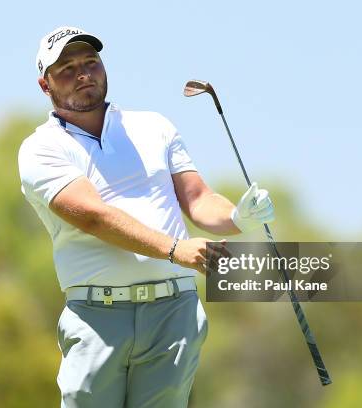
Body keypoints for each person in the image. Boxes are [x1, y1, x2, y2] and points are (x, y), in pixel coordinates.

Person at [18, 26, 275, 408]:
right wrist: (175, 250)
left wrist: (239, 216)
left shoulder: (153, 126)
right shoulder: (41, 148)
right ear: (45, 85)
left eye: (91, 62)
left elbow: (198, 198)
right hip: (96, 317)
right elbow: (93, 216)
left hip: (173, 313)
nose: (84, 73)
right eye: (68, 68)